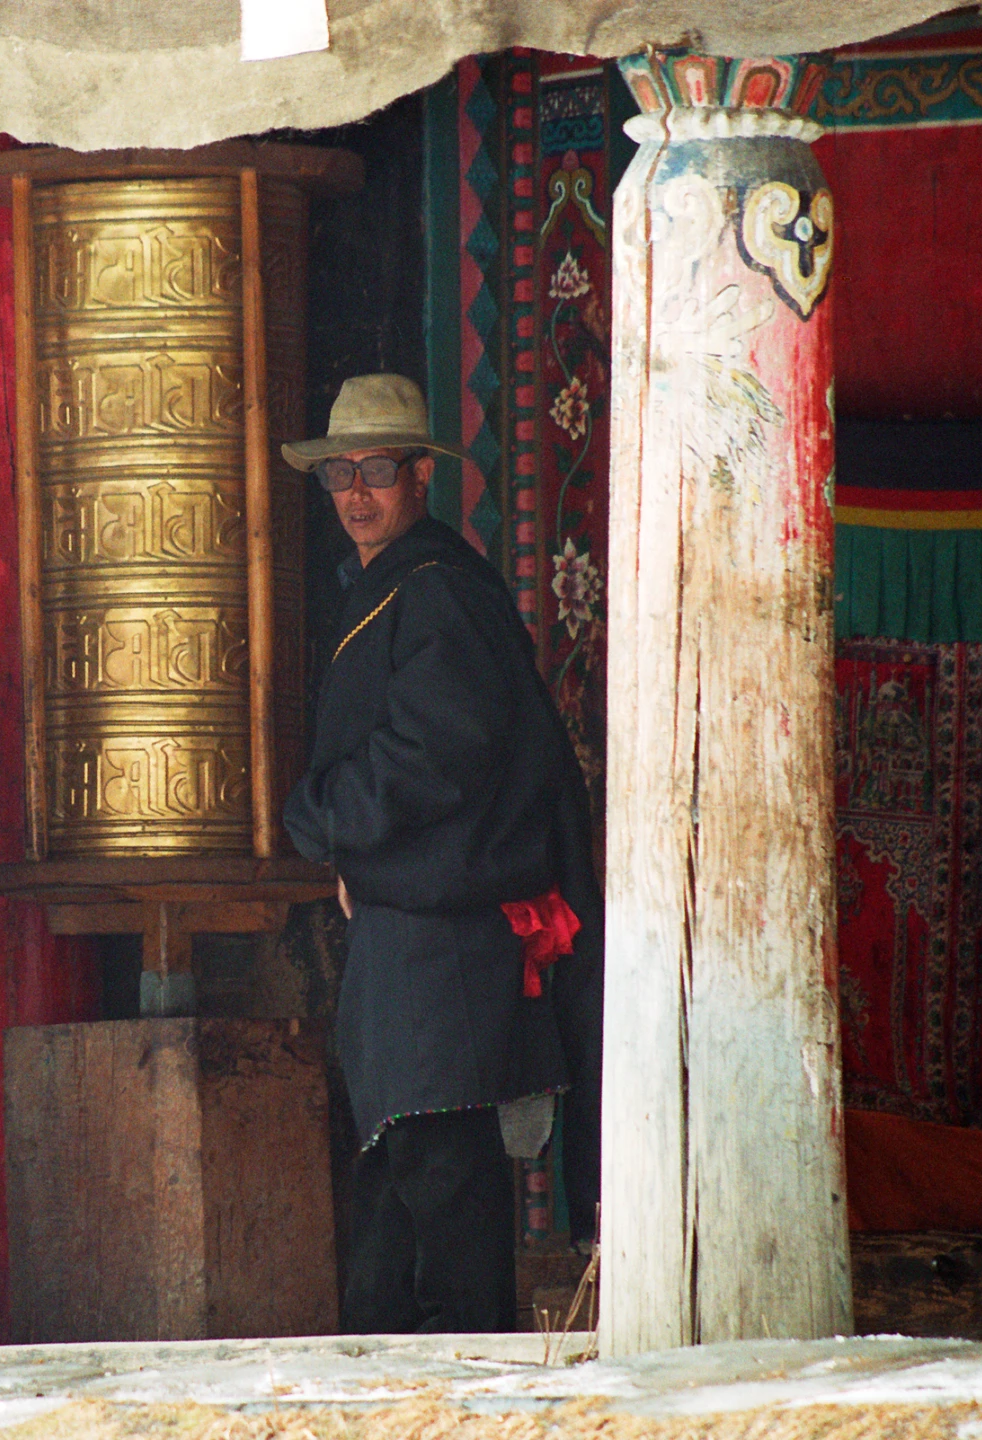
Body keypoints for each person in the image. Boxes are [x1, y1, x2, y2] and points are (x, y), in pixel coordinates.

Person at [280, 374, 603, 1333]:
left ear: (422, 474)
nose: (355, 494)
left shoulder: (436, 591)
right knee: (401, 1186)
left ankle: (472, 1403)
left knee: (441, 1188)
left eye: (377, 470)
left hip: (444, 945)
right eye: (340, 473)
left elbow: (436, 752)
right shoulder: (394, 587)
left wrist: (325, 819)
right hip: (412, 932)